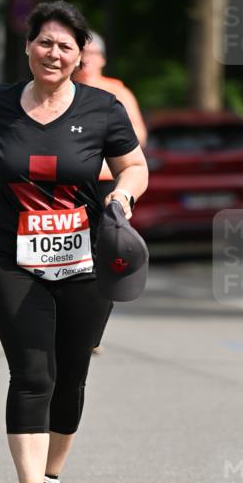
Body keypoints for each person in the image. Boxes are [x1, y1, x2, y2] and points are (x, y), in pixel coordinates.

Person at [0, 0, 149, 483]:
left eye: (65, 45)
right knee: (33, 371)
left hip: (85, 259)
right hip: (9, 257)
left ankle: (53, 478)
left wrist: (124, 197)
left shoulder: (103, 108)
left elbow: (134, 166)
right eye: (44, 42)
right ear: (28, 47)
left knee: (71, 375)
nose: (53, 53)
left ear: (81, 55)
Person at [75, 33, 148, 353]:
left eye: (93, 52)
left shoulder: (117, 92)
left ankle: (92, 334)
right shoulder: (65, 90)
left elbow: (138, 137)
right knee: (70, 257)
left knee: (104, 257)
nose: (87, 59)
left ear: (103, 58)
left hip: (108, 186)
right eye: (83, 52)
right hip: (72, 183)